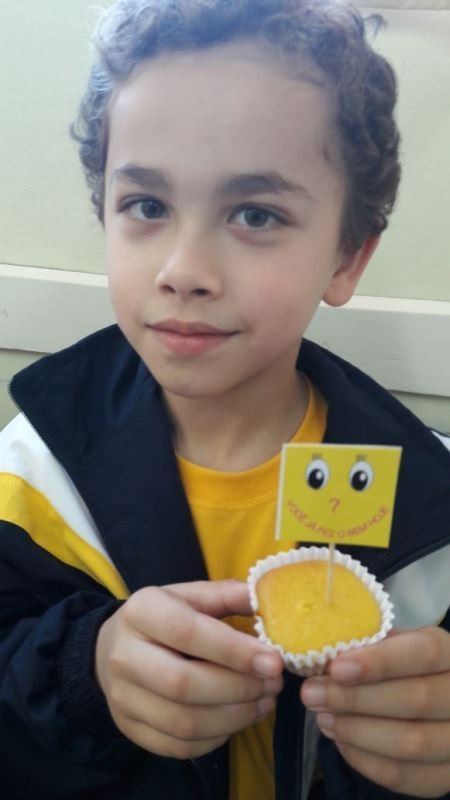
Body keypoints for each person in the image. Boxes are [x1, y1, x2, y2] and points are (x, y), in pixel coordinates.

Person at [0, 1, 449, 798]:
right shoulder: (29, 481)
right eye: (147, 206)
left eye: (255, 214)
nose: (184, 270)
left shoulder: (432, 498)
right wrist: (83, 673)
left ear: (346, 257)